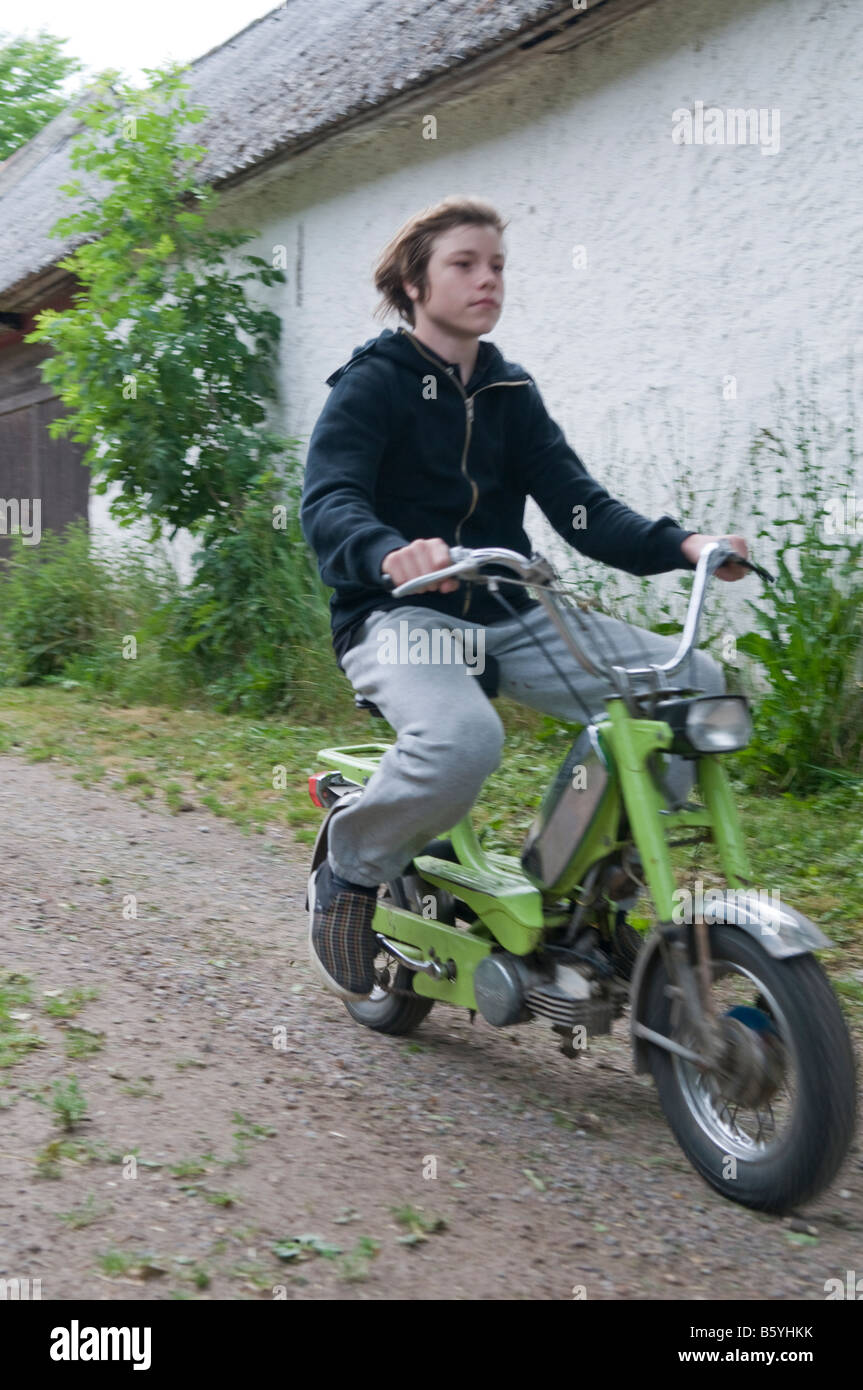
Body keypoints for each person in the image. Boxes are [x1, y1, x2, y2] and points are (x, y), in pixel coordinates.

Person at [300, 194, 748, 1002]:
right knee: (463, 740)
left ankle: (582, 884)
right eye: (463, 264)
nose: (487, 280)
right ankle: (352, 865)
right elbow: (330, 500)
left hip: (509, 609)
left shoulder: (509, 390)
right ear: (411, 283)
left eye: (496, 265)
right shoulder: (373, 384)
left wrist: (682, 545)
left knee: (692, 685)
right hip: (401, 616)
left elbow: (582, 510)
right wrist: (388, 553)